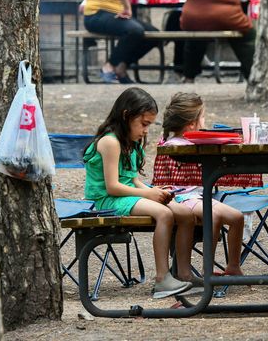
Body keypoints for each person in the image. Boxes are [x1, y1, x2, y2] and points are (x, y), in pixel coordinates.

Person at [82, 87, 197, 299]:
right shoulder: (110, 142)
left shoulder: (132, 144)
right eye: (143, 124)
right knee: (165, 214)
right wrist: (148, 195)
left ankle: (184, 274)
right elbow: (112, 187)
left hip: (127, 195)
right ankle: (162, 279)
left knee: (186, 215)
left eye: (149, 125)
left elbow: (133, 179)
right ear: (126, 116)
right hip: (108, 201)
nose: (146, 130)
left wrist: (154, 191)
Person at [156, 92, 245, 276]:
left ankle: (233, 266)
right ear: (191, 124)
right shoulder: (175, 146)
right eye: (202, 117)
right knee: (213, 217)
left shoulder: (192, 142)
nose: (205, 120)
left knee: (237, 217)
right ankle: (208, 271)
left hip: (198, 196)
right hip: (181, 197)